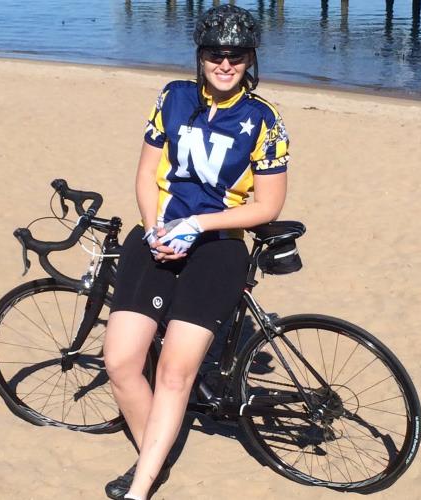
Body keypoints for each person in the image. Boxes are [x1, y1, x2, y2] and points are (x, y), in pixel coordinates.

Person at [103, 4, 289, 499]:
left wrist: (198, 224)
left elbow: (267, 206)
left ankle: (142, 484)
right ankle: (155, 453)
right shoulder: (173, 97)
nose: (225, 64)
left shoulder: (264, 119)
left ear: (251, 59)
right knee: (120, 362)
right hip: (157, 235)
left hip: (218, 248)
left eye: (236, 55)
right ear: (200, 56)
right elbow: (147, 173)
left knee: (173, 373)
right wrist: (154, 229)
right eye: (214, 54)